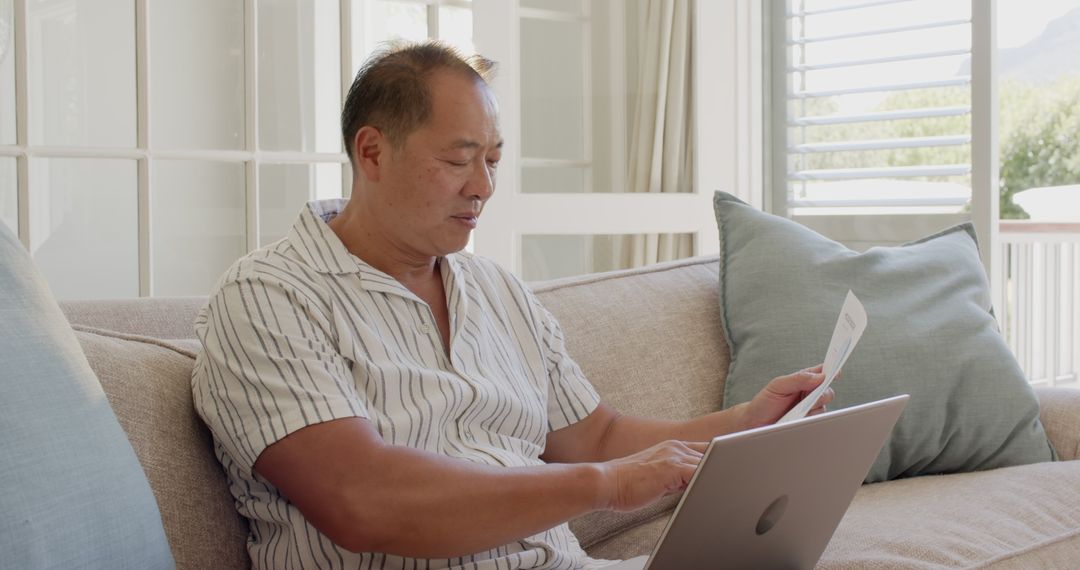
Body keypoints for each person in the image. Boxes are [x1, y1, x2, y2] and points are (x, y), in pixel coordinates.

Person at [191, 41, 834, 570]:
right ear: (371, 152)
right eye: (458, 160)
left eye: (494, 161)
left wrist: (747, 423)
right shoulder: (269, 297)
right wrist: (608, 485)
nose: (484, 187)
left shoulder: (497, 291)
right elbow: (364, 503)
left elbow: (597, 437)